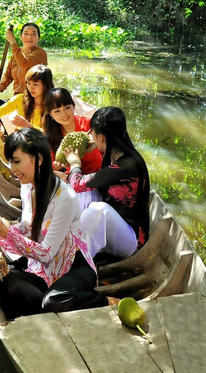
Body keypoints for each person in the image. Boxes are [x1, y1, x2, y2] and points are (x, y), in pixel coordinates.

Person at [0, 128, 107, 319]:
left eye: (17, 161)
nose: (13, 168)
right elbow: (27, 226)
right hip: (43, 269)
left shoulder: (65, 197)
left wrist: (3, 230)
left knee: (53, 301)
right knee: (6, 280)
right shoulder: (27, 185)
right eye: (11, 161)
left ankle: (102, 301)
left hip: (74, 267)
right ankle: (49, 307)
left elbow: (46, 253)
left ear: (39, 159)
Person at [62, 106, 151, 259]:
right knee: (86, 192)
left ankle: (72, 256)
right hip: (115, 226)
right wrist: (97, 145)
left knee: (98, 209)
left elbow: (77, 183)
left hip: (130, 240)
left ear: (102, 137)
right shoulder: (114, 154)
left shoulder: (127, 165)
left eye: (93, 134)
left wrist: (75, 164)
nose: (91, 137)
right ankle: (67, 238)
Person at [43, 87, 103, 176]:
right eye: (57, 111)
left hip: (97, 174)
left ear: (73, 106)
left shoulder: (89, 124)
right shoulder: (51, 136)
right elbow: (48, 165)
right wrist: (57, 166)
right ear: (51, 114)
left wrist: (96, 143)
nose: (64, 114)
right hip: (72, 178)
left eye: (67, 108)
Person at [0, 64, 54, 130]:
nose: (31, 87)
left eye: (35, 84)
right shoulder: (20, 99)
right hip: (20, 142)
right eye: (28, 83)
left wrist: (28, 126)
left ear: (45, 85)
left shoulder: (53, 105)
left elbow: (50, 136)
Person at [0, 23, 48, 98]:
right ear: (21, 37)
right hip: (17, 97)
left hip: (33, 98)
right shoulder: (16, 54)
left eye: (33, 34)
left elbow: (24, 63)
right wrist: (1, 87)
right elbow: (8, 75)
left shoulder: (40, 53)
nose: (29, 37)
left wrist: (13, 42)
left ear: (38, 38)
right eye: (26, 33)